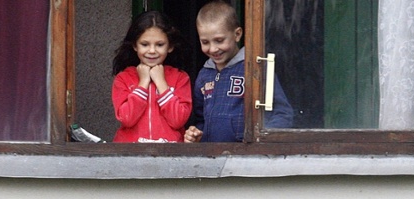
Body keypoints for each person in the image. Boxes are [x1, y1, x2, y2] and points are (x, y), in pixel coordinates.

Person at [185, 1, 294, 143]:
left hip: (248, 156)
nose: (212, 49)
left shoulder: (255, 67)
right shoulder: (204, 75)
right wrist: (197, 135)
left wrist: (260, 139)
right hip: (212, 157)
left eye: (219, 40)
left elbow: (283, 113)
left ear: (237, 34)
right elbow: (201, 119)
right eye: (205, 42)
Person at [112, 11, 192, 143]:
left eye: (160, 45)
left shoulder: (180, 78)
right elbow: (126, 118)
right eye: (145, 44)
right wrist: (143, 83)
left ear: (170, 46)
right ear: (134, 45)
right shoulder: (123, 78)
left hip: (170, 152)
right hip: (130, 152)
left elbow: (178, 120)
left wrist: (161, 83)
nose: (152, 50)